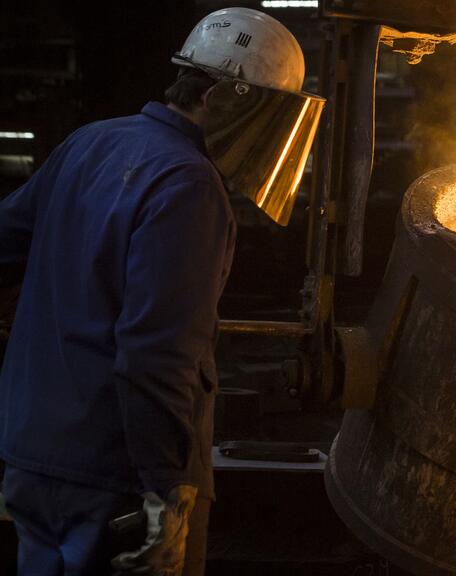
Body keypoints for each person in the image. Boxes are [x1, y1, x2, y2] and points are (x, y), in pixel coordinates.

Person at [0, 8, 323, 575]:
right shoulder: (189, 184)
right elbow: (156, 356)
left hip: (33, 460)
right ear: (231, 98)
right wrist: (166, 492)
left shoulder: (90, 143)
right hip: (116, 479)